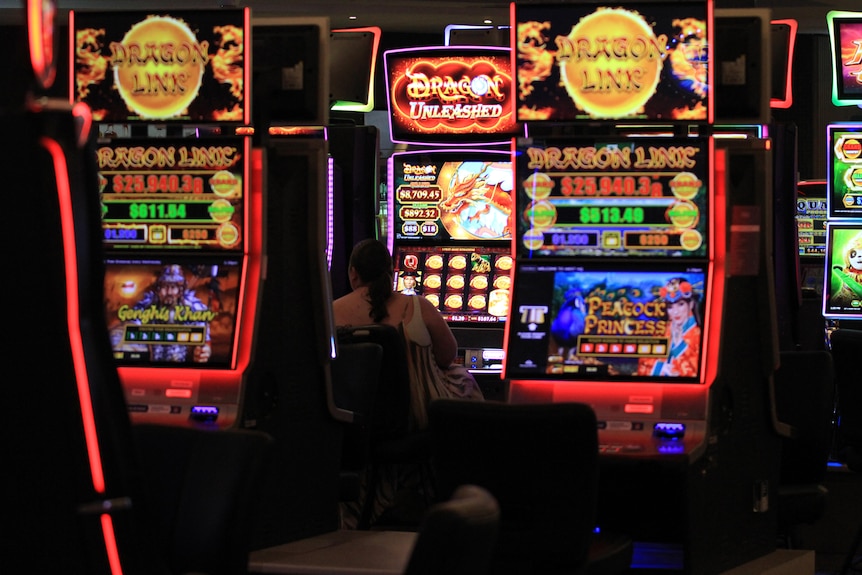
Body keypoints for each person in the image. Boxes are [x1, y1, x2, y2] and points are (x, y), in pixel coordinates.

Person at [332, 239, 483, 528]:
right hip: (414, 417)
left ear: (353, 273)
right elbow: (448, 355)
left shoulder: (332, 312)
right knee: (463, 379)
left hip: (354, 423)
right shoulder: (417, 305)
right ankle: (462, 489)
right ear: (392, 271)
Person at [638, 277, 701, 378]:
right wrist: (660, 368)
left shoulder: (699, 336)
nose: (675, 312)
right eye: (670, 307)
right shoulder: (661, 330)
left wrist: (679, 345)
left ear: (691, 304)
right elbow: (643, 362)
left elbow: (695, 372)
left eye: (680, 304)